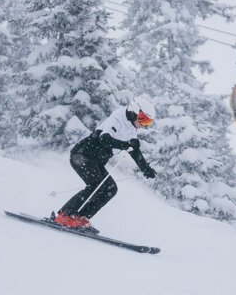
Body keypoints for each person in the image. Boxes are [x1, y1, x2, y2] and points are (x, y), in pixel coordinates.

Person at [53, 97, 158, 229]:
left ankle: (80, 217)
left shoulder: (132, 127)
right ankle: (65, 215)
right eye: (143, 119)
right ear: (134, 111)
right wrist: (126, 145)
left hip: (95, 160)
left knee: (110, 188)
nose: (144, 124)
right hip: (82, 155)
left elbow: (134, 150)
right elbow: (104, 140)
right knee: (96, 185)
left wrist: (146, 168)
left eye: (148, 122)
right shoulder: (118, 118)